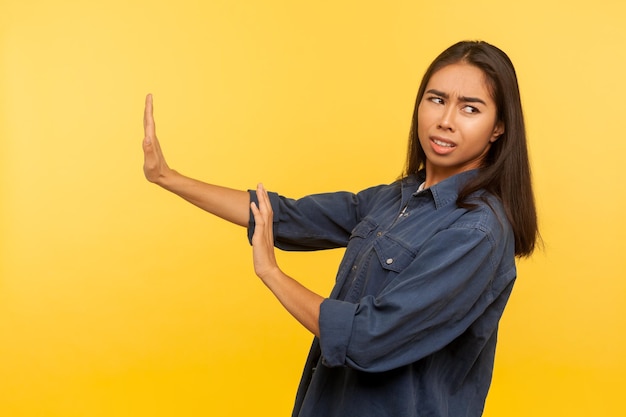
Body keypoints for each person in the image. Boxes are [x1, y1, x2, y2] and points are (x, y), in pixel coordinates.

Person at [142, 40, 539, 417]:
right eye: (437, 100)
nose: (446, 120)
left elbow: (368, 337)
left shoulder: (477, 232)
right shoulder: (396, 197)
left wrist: (271, 273)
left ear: (498, 127)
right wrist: (167, 176)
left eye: (470, 109)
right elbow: (284, 215)